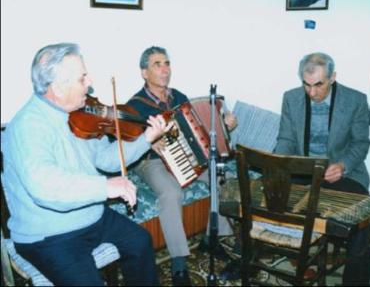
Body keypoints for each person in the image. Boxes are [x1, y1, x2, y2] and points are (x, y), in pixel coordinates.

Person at [1, 43, 171, 286]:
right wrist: (106, 187)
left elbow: (107, 159)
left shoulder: (80, 115)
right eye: (82, 78)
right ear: (58, 88)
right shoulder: (28, 126)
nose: (89, 82)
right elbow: (45, 187)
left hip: (90, 215)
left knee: (140, 242)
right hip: (49, 234)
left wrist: (146, 139)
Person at [126, 46, 237, 286]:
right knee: (171, 192)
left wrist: (225, 123)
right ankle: (178, 264)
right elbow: (122, 140)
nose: (165, 69)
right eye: (157, 64)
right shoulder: (135, 105)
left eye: (167, 63)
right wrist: (147, 142)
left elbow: (202, 130)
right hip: (152, 162)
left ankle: (212, 237)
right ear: (144, 72)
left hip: (187, 157)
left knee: (221, 176)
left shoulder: (179, 97)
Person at [274, 52, 370, 286]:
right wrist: (278, 164)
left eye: (318, 85)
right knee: (267, 194)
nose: (312, 93)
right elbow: (286, 140)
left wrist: (343, 165)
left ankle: (355, 282)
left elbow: (361, 143)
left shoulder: (355, 100)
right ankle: (288, 255)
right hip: (304, 172)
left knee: (366, 217)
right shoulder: (291, 98)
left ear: (333, 78)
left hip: (341, 173)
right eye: (306, 85)